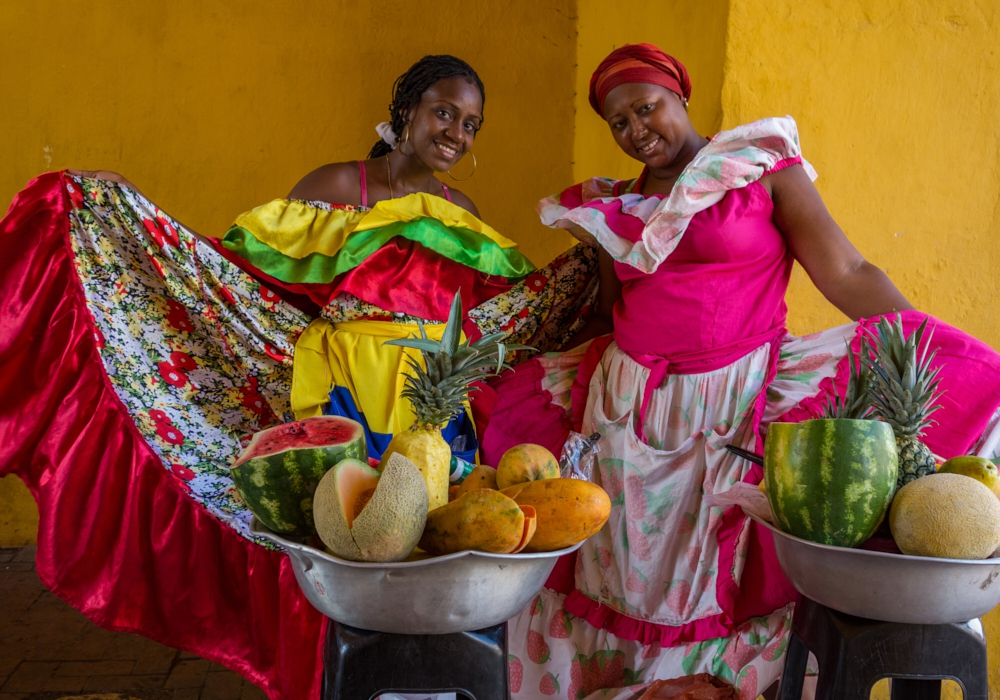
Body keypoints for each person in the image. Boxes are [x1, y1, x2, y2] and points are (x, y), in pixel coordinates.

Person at [0, 55, 595, 700]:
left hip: (431, 406)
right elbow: (239, 278)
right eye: (444, 112)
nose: (456, 132)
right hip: (340, 391)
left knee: (438, 538)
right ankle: (327, 679)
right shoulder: (340, 184)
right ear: (407, 112)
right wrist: (133, 213)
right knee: (341, 535)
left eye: (471, 124)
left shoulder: (463, 209)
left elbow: (483, 318)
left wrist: (596, 253)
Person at [487, 44, 1000, 699]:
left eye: (647, 107)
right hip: (624, 407)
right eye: (619, 122)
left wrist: (920, 342)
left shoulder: (759, 169)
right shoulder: (615, 209)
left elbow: (844, 272)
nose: (637, 129)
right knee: (620, 568)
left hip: (735, 400)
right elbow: (614, 311)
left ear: (682, 97)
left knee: (717, 563)